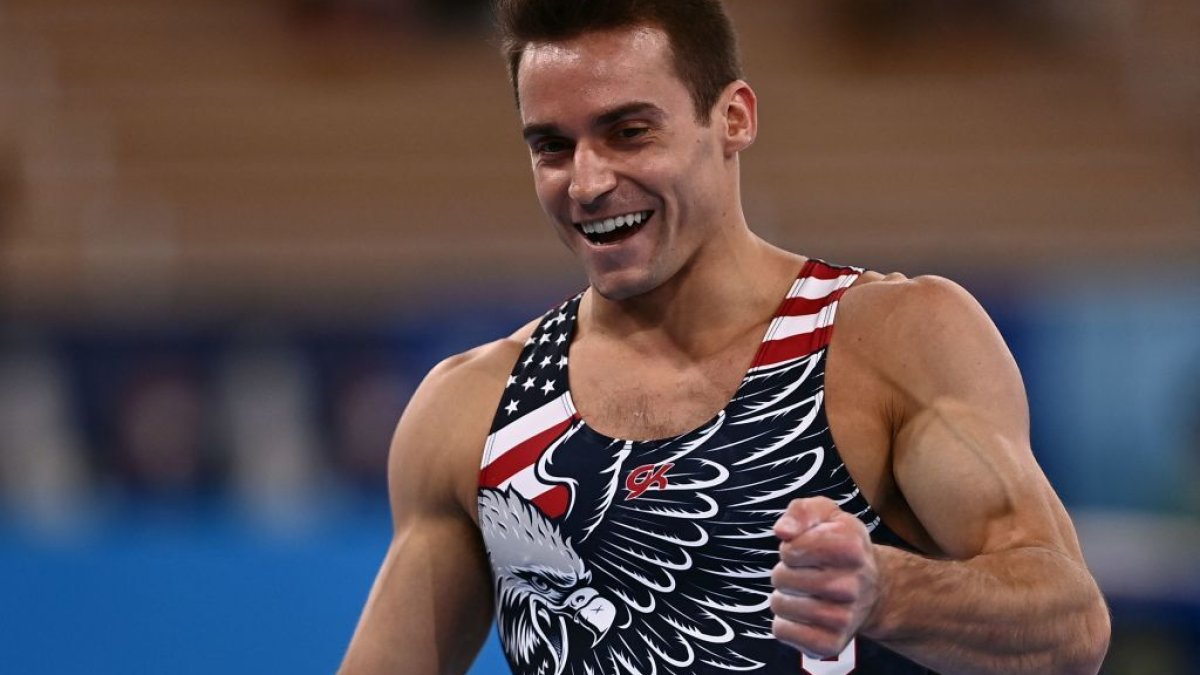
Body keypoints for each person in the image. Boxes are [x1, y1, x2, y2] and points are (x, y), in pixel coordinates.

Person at [339, 1, 1111, 673]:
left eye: (629, 131)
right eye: (552, 145)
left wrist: (887, 590)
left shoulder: (886, 342)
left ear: (733, 117)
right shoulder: (471, 412)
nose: (587, 181)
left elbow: (1071, 626)